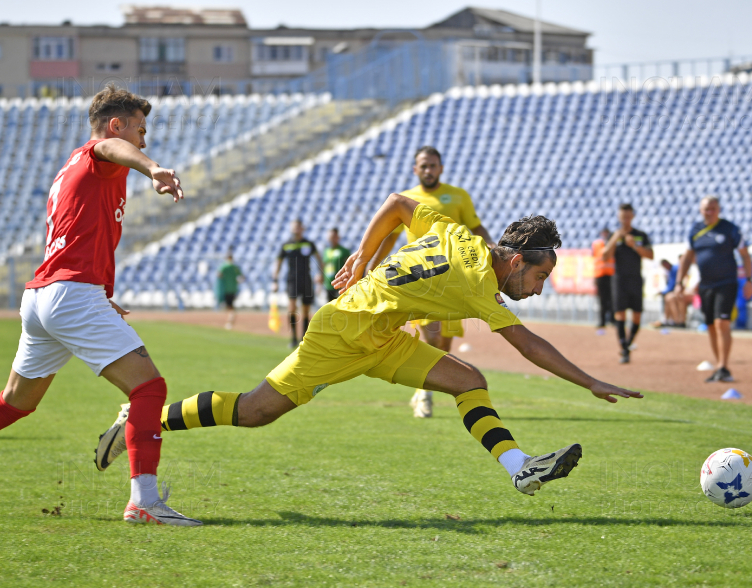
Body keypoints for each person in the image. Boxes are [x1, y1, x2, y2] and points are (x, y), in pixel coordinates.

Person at [93, 195, 642, 498]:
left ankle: (520, 467)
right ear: (518, 260)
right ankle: (145, 423)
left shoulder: (459, 235)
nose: (540, 288)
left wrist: (362, 256)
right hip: (343, 331)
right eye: (541, 276)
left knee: (470, 381)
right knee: (257, 411)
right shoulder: (481, 284)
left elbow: (400, 204)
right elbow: (528, 344)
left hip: (382, 335)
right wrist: (589, 381)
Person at [0, 84, 200, 526]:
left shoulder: (71, 166)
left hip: (45, 297)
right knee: (148, 389)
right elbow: (110, 146)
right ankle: (144, 501)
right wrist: (154, 169)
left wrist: (103, 295)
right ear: (117, 124)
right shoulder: (98, 153)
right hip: (70, 295)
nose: (144, 140)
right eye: (139, 131)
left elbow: (84, 236)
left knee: (12, 402)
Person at [368, 146, 496, 418]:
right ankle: (424, 394)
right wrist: (369, 263)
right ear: (415, 169)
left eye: (433, 165)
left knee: (445, 344)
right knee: (432, 336)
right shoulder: (407, 199)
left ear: (441, 168)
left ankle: (421, 391)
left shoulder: (459, 196)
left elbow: (475, 227)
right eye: (423, 166)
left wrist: (492, 244)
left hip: (454, 280)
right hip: (420, 279)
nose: (428, 170)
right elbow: (388, 236)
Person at [676, 196, 752, 382]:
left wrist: (749, 280)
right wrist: (679, 282)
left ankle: (723, 366)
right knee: (711, 325)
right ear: (700, 210)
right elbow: (687, 258)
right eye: (706, 209)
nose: (709, 212)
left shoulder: (730, 229)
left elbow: (745, 255)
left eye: (713, 208)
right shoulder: (695, 231)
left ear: (718, 209)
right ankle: (719, 364)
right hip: (706, 285)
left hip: (726, 283)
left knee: (721, 323)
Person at [603, 203, 653, 364]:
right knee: (620, 314)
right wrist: (616, 238)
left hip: (636, 279)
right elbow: (605, 256)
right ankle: (624, 349)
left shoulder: (640, 235)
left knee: (637, 316)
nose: (625, 219)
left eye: (628, 216)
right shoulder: (614, 235)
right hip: (619, 280)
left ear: (632, 216)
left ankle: (629, 342)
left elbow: (650, 255)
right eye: (623, 216)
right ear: (619, 217)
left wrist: (635, 246)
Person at [272, 219, 324, 348]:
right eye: (294, 227)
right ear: (291, 228)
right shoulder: (286, 245)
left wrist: (320, 274)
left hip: (306, 279)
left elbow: (319, 259)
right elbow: (278, 262)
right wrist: (275, 280)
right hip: (292, 280)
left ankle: (304, 338)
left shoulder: (309, 244)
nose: (296, 229)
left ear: (302, 228)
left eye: (298, 227)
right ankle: (293, 338)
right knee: (292, 309)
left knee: (306, 310)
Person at [591, 227, 615, 333]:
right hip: (600, 274)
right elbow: (594, 259)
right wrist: (594, 277)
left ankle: (613, 320)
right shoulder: (596, 244)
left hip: (611, 275)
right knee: (602, 300)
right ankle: (602, 321)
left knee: (612, 299)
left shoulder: (613, 243)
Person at [322, 228, 351, 302]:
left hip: (340, 283)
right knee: (329, 306)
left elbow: (349, 266)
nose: (332, 239)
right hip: (329, 283)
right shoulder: (326, 251)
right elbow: (324, 265)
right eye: (330, 237)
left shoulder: (344, 251)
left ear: (338, 237)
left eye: (334, 237)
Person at [216, 253, 245, 329]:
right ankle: (230, 319)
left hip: (226, 289)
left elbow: (219, 275)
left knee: (230, 306)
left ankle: (230, 321)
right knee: (229, 306)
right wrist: (236, 281)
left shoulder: (224, 266)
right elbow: (242, 277)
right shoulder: (235, 267)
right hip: (234, 289)